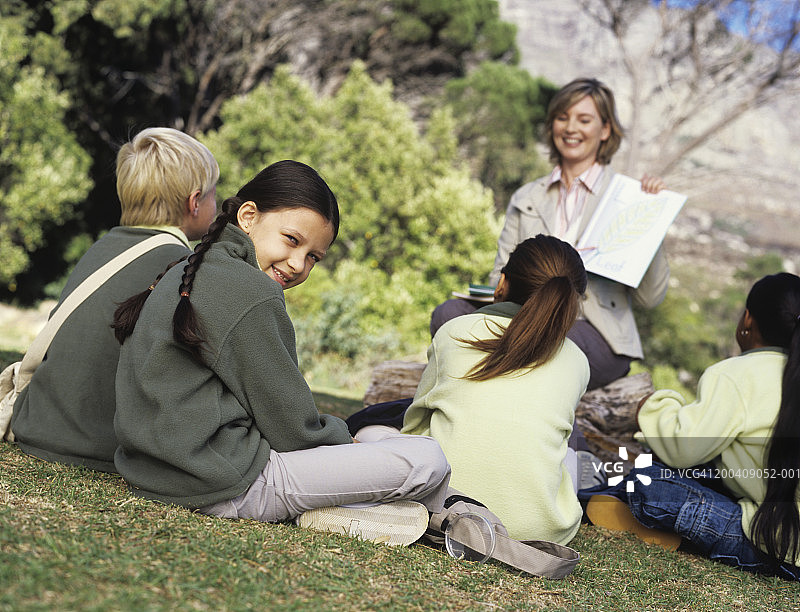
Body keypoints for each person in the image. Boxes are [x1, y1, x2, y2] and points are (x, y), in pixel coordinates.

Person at [111, 160, 451, 545]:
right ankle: (368, 511)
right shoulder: (249, 291)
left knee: (377, 432)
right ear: (249, 216)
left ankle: (361, 507)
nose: (297, 264)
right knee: (428, 459)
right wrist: (343, 441)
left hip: (157, 472)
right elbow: (295, 431)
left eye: (313, 257)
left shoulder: (190, 267)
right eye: (292, 240)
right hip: (226, 483)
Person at [430, 77, 670, 390]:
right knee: (451, 314)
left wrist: (653, 220)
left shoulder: (630, 199)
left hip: (594, 332)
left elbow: (650, 299)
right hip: (522, 317)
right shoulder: (527, 197)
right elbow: (498, 276)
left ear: (606, 130)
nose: (571, 128)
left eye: (584, 120)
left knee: (550, 340)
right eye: (562, 117)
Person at [10, 127, 219, 472]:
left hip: (38, 429)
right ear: (195, 202)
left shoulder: (104, 247)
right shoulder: (182, 265)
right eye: (213, 193)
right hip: (100, 447)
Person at [583, 273, 800, 580]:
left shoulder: (738, 374)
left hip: (771, 548)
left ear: (747, 320)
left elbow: (683, 447)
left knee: (650, 480)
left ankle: (626, 507)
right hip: (785, 539)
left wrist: (655, 406)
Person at [400, 235, 590, 544]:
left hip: (437, 508)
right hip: (537, 531)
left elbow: (414, 427)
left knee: (373, 431)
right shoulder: (577, 361)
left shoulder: (454, 331)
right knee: (571, 454)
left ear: (502, 283)